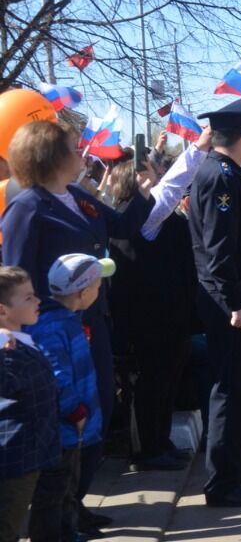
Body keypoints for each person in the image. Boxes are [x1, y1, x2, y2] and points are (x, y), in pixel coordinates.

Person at [0, 120, 153, 533]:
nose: (82, 151)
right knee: (69, 420)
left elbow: (120, 227)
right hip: (51, 331)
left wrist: (142, 189)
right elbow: (13, 275)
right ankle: (61, 512)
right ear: (50, 156)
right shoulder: (27, 207)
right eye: (73, 146)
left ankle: (76, 503)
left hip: (91, 320)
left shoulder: (77, 198)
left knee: (99, 408)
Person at [187, 95, 241, 507]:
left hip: (233, 296)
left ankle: (233, 471)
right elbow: (219, 252)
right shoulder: (220, 177)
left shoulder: (224, 172)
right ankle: (221, 483)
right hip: (229, 301)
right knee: (229, 389)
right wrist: (237, 302)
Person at [106, 155, 199, 472]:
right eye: (153, 173)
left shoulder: (154, 214)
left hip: (170, 316)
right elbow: (172, 191)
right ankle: (148, 449)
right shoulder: (137, 215)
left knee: (167, 382)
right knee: (151, 386)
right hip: (148, 321)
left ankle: (160, 441)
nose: (160, 177)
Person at [28, 254, 111, 542]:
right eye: (98, 287)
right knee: (54, 491)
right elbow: (57, 375)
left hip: (75, 428)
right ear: (84, 292)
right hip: (65, 429)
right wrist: (74, 410)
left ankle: (68, 531)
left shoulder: (69, 320)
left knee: (69, 488)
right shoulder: (54, 327)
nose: (99, 293)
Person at [0, 267, 58, 542]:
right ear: (2, 311)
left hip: (33, 451)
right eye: (28, 298)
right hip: (13, 458)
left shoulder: (22, 342)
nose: (38, 301)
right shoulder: (6, 354)